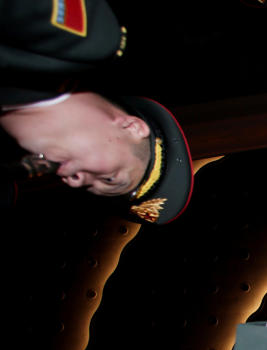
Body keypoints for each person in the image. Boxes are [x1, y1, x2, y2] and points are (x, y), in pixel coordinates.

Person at [0, 0, 192, 222]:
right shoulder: (79, 42)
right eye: (110, 178)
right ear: (131, 127)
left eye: (87, 187)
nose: (73, 181)